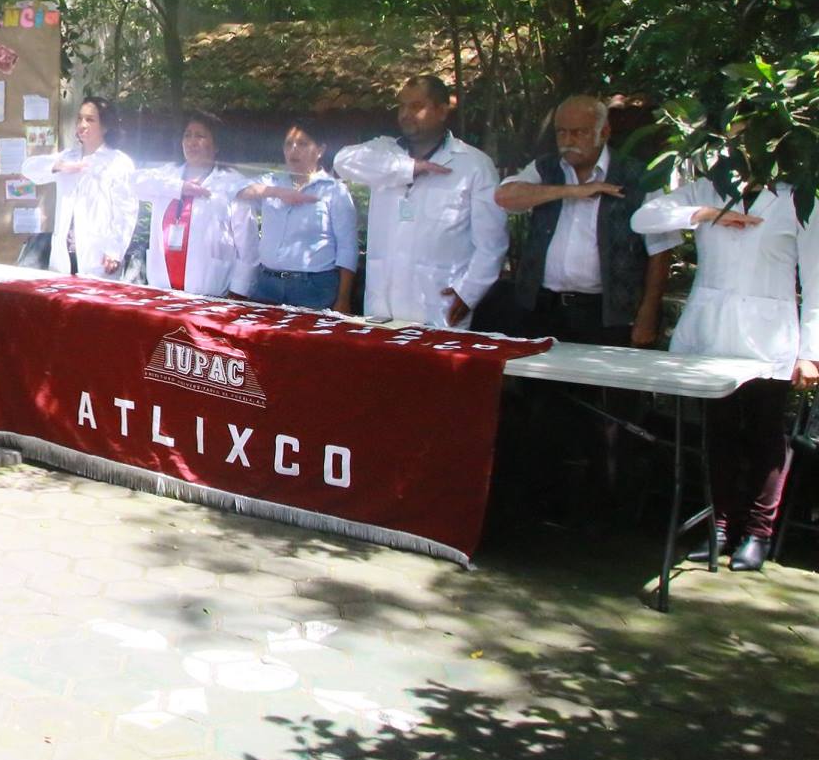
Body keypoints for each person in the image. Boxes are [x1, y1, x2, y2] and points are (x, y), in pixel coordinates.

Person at [633, 173, 818, 572]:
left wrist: (811, 351)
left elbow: (817, 279)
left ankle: (758, 533)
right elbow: (644, 217)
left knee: (765, 434)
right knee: (719, 432)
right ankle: (718, 526)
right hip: (712, 333)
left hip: (768, 336)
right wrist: (705, 214)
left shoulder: (795, 199)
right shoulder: (707, 188)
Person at [495, 95, 675, 346]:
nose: (568, 142)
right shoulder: (545, 169)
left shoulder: (637, 177)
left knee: (599, 383)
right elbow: (504, 197)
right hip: (542, 305)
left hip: (605, 311)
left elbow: (661, 249)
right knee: (538, 383)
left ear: (604, 132)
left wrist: (648, 313)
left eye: (578, 133)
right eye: (561, 133)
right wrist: (571, 191)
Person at [334, 75, 508, 328]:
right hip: (383, 305)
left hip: (439, 304)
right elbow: (342, 161)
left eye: (416, 106)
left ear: (441, 110)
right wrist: (409, 168)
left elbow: (492, 244)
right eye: (402, 106)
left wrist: (469, 293)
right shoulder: (384, 152)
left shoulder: (473, 164)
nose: (405, 114)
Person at [131, 110, 257, 297]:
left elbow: (248, 246)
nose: (192, 142)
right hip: (162, 290)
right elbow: (131, 183)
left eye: (200, 136)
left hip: (211, 293)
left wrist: (239, 291)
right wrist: (179, 187)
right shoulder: (167, 175)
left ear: (217, 145)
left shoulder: (232, 183)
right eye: (187, 135)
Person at [239, 118, 358, 311]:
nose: (294, 149)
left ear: (320, 150)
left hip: (313, 287)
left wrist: (343, 299)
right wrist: (277, 192)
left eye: (302, 143)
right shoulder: (272, 181)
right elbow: (236, 189)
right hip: (267, 284)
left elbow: (347, 247)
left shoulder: (334, 191)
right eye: (288, 144)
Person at [19, 96, 140, 280]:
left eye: (90, 120)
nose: (82, 124)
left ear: (106, 126)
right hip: (62, 258)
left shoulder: (118, 162)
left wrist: (114, 251)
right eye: (80, 118)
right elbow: (28, 169)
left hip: (97, 259)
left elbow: (126, 211)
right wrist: (59, 167)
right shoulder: (69, 156)